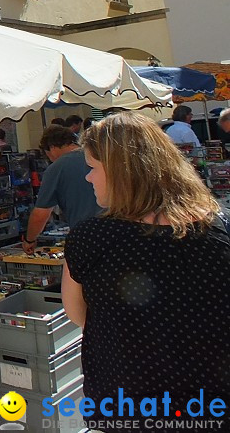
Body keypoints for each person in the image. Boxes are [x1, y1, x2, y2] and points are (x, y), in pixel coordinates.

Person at [62, 113, 230, 429]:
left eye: (93, 168)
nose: (89, 178)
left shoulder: (91, 238)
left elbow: (79, 314)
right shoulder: (222, 228)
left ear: (120, 173)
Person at [22, 125, 101, 253]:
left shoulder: (57, 168)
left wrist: (29, 240)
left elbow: (40, 214)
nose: (50, 160)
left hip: (86, 238)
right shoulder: (99, 156)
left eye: (48, 155)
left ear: (52, 148)